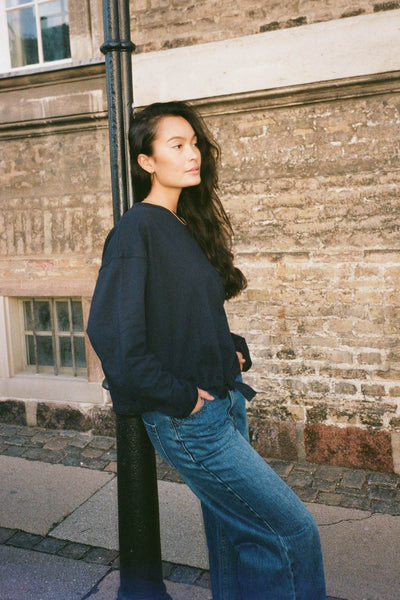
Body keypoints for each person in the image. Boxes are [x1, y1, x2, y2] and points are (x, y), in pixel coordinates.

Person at [87, 101, 326, 600]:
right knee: (290, 533)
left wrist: (229, 349)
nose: (192, 154)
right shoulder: (136, 230)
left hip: (225, 402)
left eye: (194, 143)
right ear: (147, 161)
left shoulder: (184, 225)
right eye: (176, 145)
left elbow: (186, 313)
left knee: (238, 542)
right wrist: (183, 399)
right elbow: (115, 339)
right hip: (190, 418)